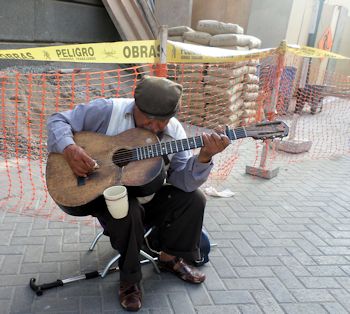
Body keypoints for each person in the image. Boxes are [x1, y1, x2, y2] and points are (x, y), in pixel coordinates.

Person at [47, 75, 230, 311]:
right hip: (103, 196)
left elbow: (183, 181)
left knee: (193, 199)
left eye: (162, 121)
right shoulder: (107, 111)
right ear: (135, 105)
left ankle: (170, 258)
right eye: (148, 119)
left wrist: (204, 157)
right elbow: (57, 120)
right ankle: (130, 281)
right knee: (128, 211)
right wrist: (70, 148)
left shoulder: (174, 132)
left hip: (148, 194)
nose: (155, 127)